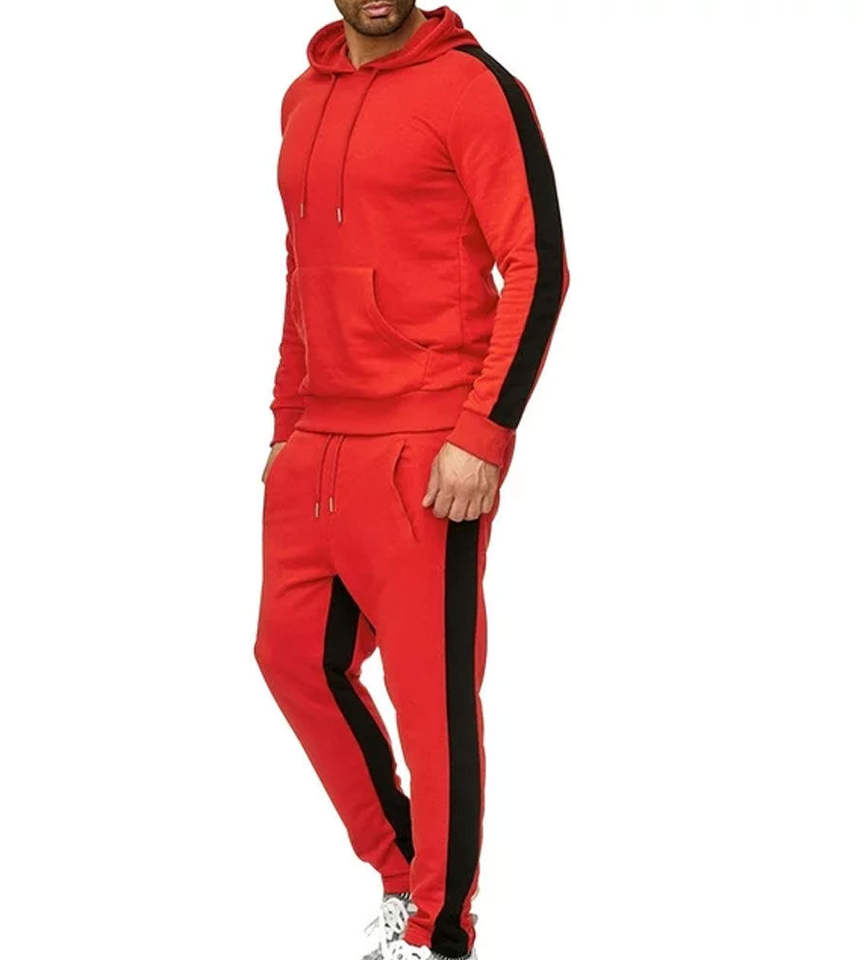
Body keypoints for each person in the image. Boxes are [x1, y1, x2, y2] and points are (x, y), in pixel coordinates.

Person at [255, 4, 568, 957]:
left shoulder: (474, 86)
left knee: (432, 703)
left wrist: (484, 434)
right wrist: (284, 424)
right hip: (319, 440)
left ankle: (441, 933)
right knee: (292, 659)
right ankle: (405, 875)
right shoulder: (301, 98)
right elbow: (301, 271)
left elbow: (538, 265)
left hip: (427, 443)